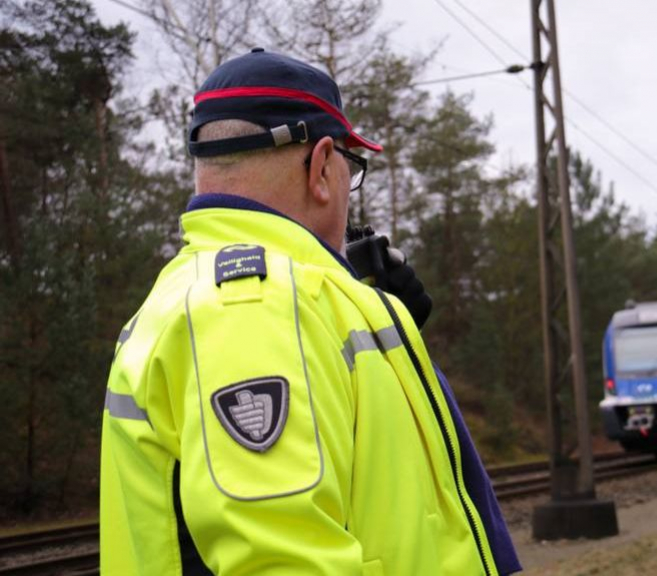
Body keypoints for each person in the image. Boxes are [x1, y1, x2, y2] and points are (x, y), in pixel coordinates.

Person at [99, 49, 520, 575]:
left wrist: (388, 327)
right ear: (321, 166)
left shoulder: (202, 296)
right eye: (353, 168)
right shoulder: (253, 307)